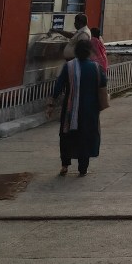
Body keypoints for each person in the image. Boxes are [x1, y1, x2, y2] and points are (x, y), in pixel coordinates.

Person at [47, 39, 106, 175]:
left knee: (66, 135)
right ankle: (83, 168)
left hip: (70, 110)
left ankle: (65, 165)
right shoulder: (96, 68)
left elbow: (58, 86)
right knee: (85, 137)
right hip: (90, 111)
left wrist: (50, 104)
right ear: (89, 51)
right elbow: (103, 84)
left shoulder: (69, 67)